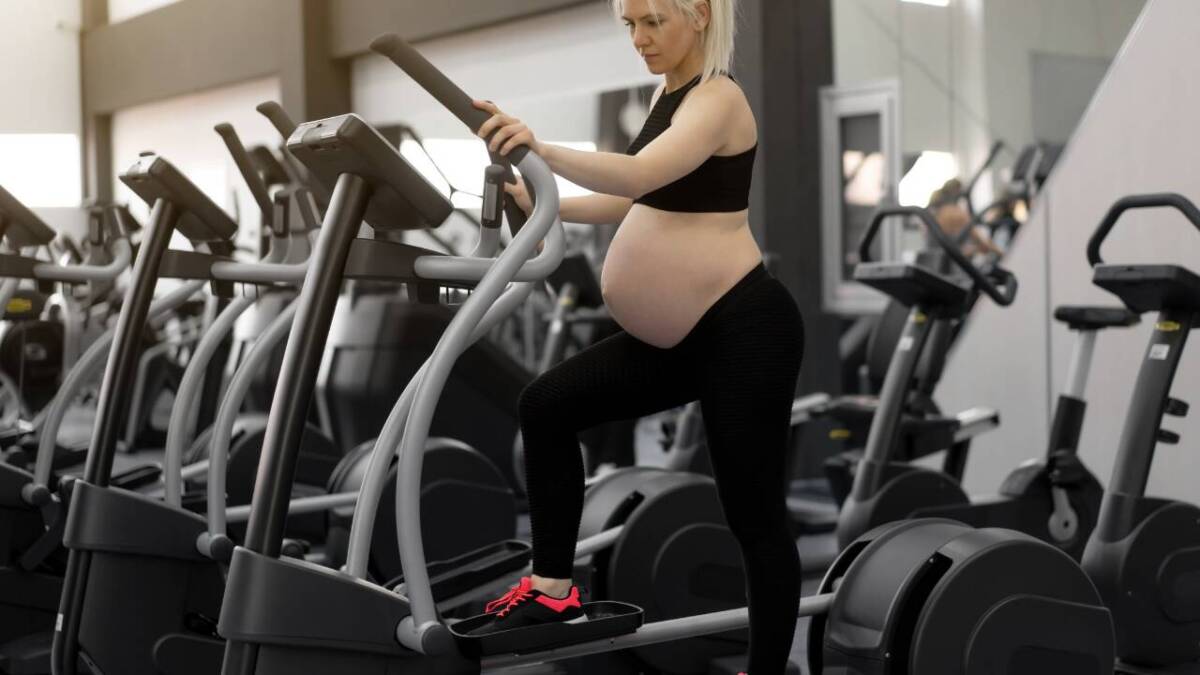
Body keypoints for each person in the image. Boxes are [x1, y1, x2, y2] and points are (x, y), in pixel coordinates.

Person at [472, 1, 804, 672]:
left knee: (753, 514)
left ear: (702, 13)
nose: (640, 39)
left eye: (653, 20)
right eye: (629, 24)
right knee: (546, 405)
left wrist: (540, 147)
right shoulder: (670, 97)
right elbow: (630, 201)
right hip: (681, 338)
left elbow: (637, 175)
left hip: (742, 330)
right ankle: (553, 591)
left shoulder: (718, 101)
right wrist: (541, 202)